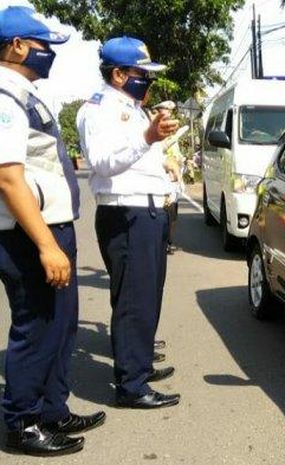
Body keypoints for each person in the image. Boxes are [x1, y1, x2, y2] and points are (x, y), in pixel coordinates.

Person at [0, 6, 105, 456]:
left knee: (60, 327)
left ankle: (52, 409)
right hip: (28, 234)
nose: (48, 54)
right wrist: (45, 244)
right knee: (37, 328)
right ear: (18, 45)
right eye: (43, 46)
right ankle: (22, 422)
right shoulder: (5, 99)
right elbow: (7, 176)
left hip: (51, 227)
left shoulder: (26, 93)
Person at [76, 36, 181, 409]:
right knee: (134, 301)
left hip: (147, 212)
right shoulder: (99, 109)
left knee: (146, 296)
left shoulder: (132, 107)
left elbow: (139, 158)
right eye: (142, 74)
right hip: (127, 215)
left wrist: (159, 154)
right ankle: (131, 386)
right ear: (119, 74)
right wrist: (147, 137)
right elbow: (103, 162)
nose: (148, 81)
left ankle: (139, 365)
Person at [152, 100, 184, 255]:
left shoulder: (170, 131)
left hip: (173, 178)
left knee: (173, 214)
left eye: (171, 112)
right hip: (163, 178)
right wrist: (172, 139)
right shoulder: (155, 129)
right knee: (165, 213)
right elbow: (157, 151)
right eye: (166, 111)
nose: (169, 115)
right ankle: (162, 242)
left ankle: (168, 242)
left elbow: (175, 155)